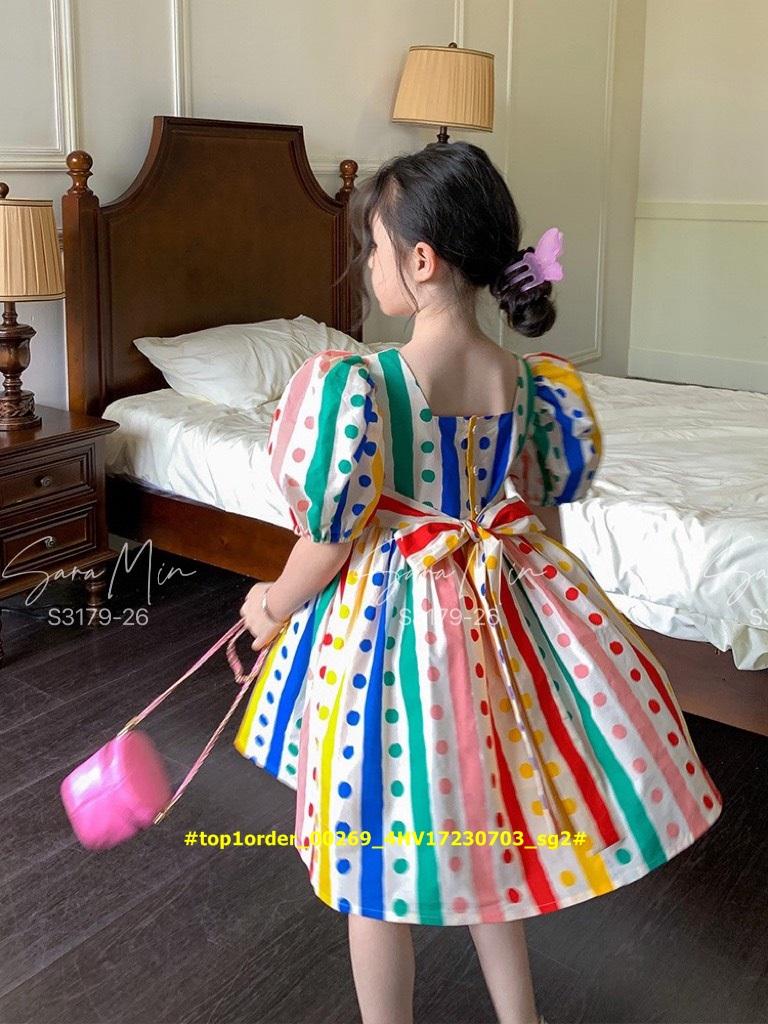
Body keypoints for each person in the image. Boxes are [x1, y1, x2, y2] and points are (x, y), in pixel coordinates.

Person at [234, 142, 724, 1024]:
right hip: (499, 619)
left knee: (374, 860)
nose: (368, 265)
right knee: (483, 820)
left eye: (374, 248)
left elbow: (329, 538)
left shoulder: (364, 383)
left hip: (389, 645)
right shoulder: (529, 382)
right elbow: (544, 526)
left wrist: (268, 606)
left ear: (421, 260)